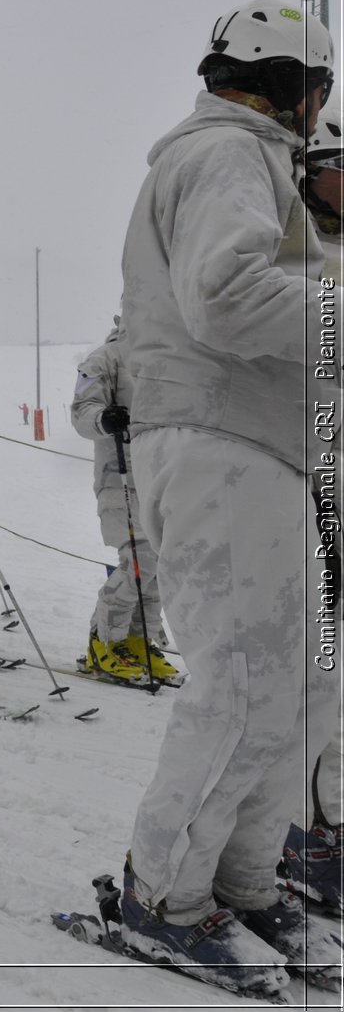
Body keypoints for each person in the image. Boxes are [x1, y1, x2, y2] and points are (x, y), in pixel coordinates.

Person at [109, 0, 338, 993]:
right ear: (296, 83)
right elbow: (228, 293)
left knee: (294, 684)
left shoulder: (250, 163)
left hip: (260, 446)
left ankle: (242, 883)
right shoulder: (222, 158)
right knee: (243, 679)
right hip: (214, 440)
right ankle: (162, 893)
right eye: (321, 89)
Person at [278, 101, 344, 919]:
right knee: (313, 667)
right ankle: (305, 826)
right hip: (308, 479)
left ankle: (330, 816)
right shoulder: (292, 259)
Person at [68, 317, 179, 684]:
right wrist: (105, 419)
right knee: (138, 562)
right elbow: (82, 412)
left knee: (160, 566)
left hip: (159, 479)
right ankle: (105, 640)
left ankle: (137, 640)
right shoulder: (106, 358)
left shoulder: (165, 358)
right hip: (119, 478)